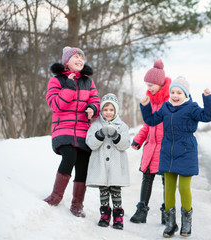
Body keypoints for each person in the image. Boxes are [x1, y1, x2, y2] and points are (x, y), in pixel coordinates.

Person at [139, 76, 211, 238]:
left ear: (185, 94)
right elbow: (151, 120)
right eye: (172, 91)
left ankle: (186, 223)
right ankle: (170, 223)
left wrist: (208, 98)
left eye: (179, 92)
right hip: (167, 153)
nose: (175, 95)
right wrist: (145, 106)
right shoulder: (166, 108)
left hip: (186, 152)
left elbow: (208, 116)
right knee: (169, 189)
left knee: (183, 188)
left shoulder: (191, 108)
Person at [44, 46, 100, 218]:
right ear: (66, 61)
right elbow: (56, 105)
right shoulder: (56, 80)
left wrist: (92, 108)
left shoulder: (88, 82)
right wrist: (69, 85)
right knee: (70, 157)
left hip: (83, 129)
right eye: (76, 56)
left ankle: (77, 205)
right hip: (63, 128)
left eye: (82, 57)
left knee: (83, 164)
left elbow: (96, 101)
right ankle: (56, 196)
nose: (80, 60)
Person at [130, 59, 171, 224]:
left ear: (160, 83)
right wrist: (138, 140)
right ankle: (142, 210)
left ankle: (167, 211)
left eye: (151, 85)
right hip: (151, 148)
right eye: (147, 85)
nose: (149, 88)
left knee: (166, 181)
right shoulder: (151, 102)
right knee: (147, 178)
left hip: (166, 149)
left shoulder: (169, 102)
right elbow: (148, 125)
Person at [85, 93, 131, 230]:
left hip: (116, 165)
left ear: (115, 110)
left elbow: (126, 144)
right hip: (101, 165)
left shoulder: (122, 126)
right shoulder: (95, 125)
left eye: (111, 110)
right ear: (101, 111)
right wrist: (99, 134)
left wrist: (116, 136)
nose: (108, 112)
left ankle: (118, 216)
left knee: (115, 189)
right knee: (103, 189)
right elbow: (91, 144)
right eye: (105, 109)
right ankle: (105, 215)